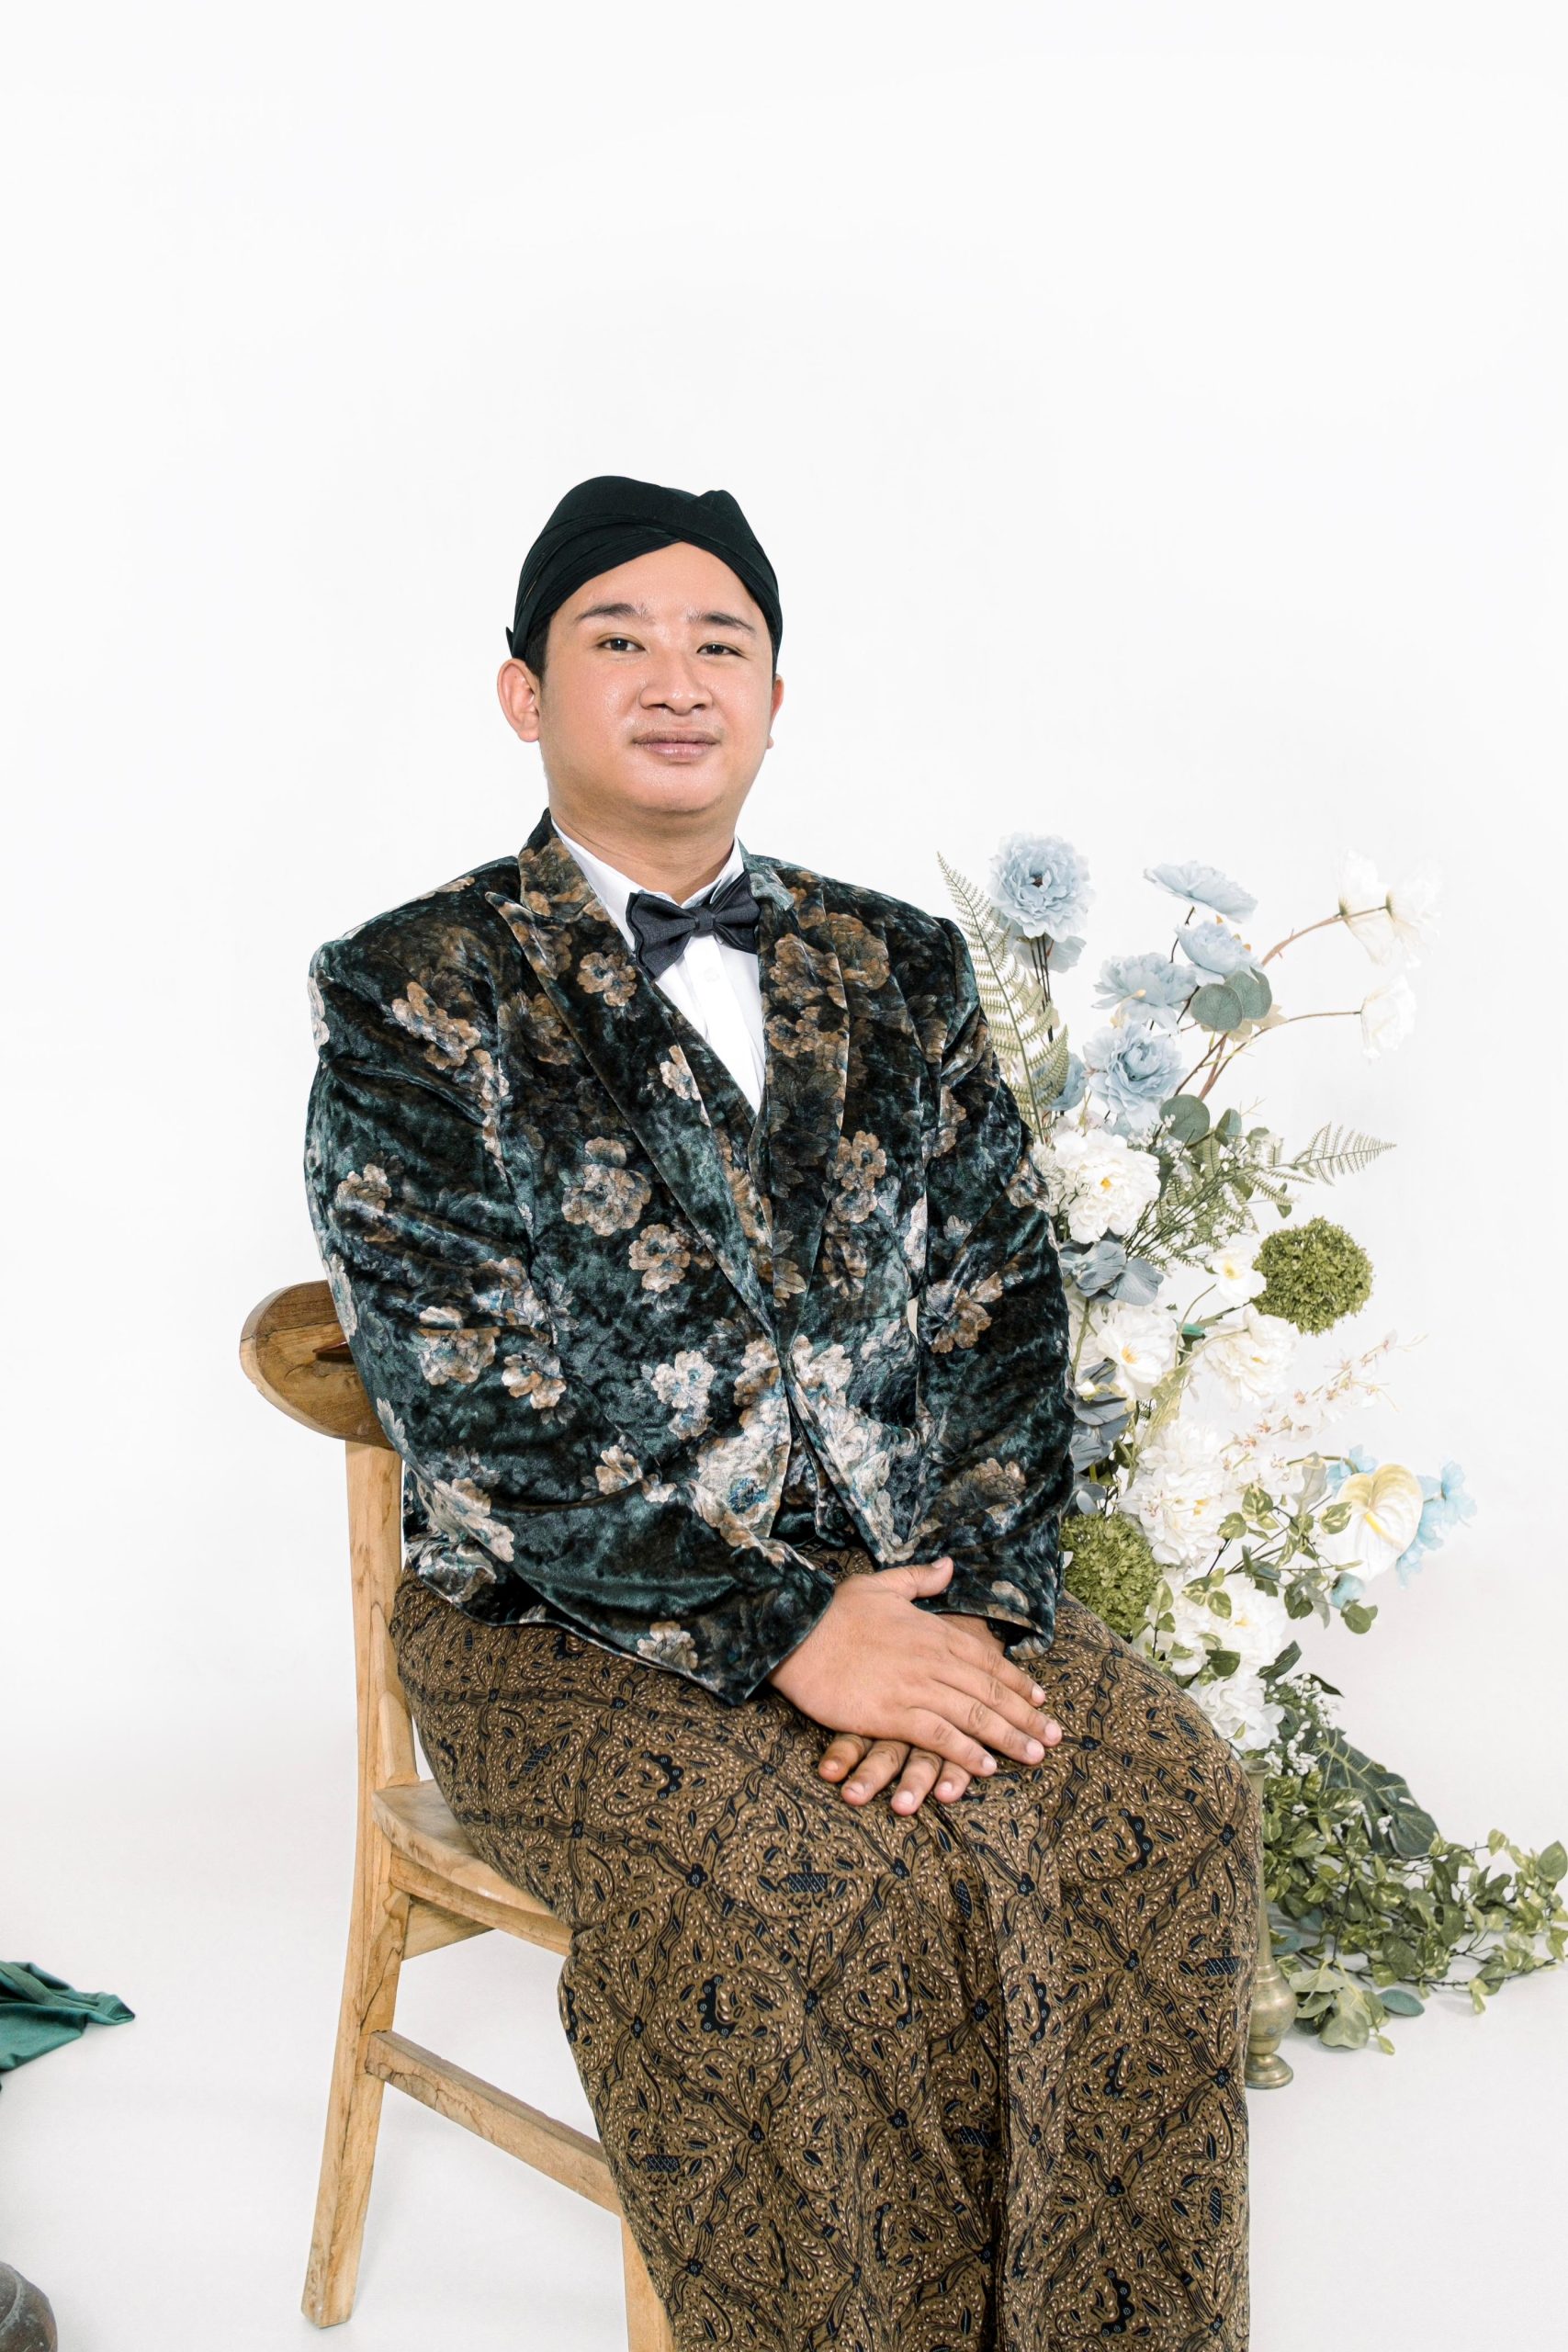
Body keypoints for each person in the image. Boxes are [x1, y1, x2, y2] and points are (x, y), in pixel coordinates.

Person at [302, 473, 1260, 2351]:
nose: (677, 679)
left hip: (921, 1585)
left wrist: (975, 1612)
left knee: (1160, 1803)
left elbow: (1003, 1310)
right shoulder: (411, 987)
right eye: (619, 639)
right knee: (797, 1878)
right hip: (559, 1626)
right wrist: (791, 1633)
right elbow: (476, 1413)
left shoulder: (897, 962)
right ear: (524, 694)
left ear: (772, 696)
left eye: (719, 643)